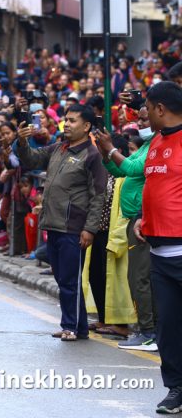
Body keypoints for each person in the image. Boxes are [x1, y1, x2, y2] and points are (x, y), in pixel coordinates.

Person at [17, 103, 107, 342]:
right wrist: (23, 142)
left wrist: (90, 228)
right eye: (66, 119)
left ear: (87, 126)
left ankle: (72, 326)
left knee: (70, 280)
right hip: (53, 224)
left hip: (73, 227)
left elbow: (98, 195)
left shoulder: (92, 155)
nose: (67, 124)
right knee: (62, 278)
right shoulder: (59, 148)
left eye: (73, 120)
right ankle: (76, 326)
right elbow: (32, 160)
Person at [133, 81, 182, 414]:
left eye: (148, 108)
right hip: (158, 255)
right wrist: (142, 217)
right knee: (168, 328)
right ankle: (176, 389)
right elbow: (156, 185)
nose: (144, 113)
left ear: (160, 109)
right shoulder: (153, 143)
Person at [96, 101, 157, 351]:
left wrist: (111, 148)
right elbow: (120, 171)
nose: (141, 124)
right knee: (136, 278)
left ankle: (149, 332)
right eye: (139, 120)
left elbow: (133, 168)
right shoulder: (145, 146)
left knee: (140, 279)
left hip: (144, 222)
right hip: (135, 220)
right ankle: (148, 330)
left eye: (145, 119)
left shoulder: (155, 145)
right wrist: (104, 151)